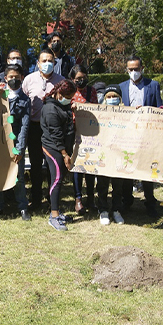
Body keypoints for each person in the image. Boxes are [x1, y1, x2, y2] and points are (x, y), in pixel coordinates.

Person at [118, 57, 163, 217]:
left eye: (136, 69)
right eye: (130, 69)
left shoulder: (153, 85)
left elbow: (160, 109)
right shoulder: (122, 87)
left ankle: (150, 201)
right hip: (127, 134)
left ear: (142, 68)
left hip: (147, 134)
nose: (133, 72)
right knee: (127, 167)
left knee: (147, 168)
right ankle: (127, 200)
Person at [23, 49, 65, 213]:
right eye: (44, 61)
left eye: (50, 61)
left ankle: (51, 199)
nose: (47, 64)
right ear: (38, 63)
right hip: (34, 128)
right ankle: (35, 199)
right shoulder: (29, 79)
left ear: (54, 63)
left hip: (52, 130)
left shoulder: (61, 81)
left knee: (51, 166)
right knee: (35, 165)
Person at [40, 80, 77, 232]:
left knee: (59, 180)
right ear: (59, 93)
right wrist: (64, 154)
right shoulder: (50, 109)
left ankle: (57, 212)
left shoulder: (61, 104)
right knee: (56, 179)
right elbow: (56, 134)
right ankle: (54, 216)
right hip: (53, 148)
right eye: (68, 96)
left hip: (62, 147)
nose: (69, 99)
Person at [0, 63, 32, 220]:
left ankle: (22, 206)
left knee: (19, 176)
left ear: (21, 78)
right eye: (11, 77)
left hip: (16, 142)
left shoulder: (25, 100)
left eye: (17, 78)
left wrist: (20, 148)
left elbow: (24, 126)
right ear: (5, 78)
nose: (14, 80)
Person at [69, 65, 96, 213]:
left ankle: (91, 197)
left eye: (83, 78)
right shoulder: (70, 92)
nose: (81, 81)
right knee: (77, 166)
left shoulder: (92, 91)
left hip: (90, 133)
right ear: (72, 79)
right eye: (78, 79)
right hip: (74, 133)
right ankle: (78, 198)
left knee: (91, 166)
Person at [96, 86, 124, 224]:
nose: (112, 99)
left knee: (118, 185)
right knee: (102, 184)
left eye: (114, 97)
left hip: (119, 154)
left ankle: (116, 210)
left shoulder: (127, 113)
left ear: (120, 98)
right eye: (109, 97)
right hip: (104, 154)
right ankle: (103, 210)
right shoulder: (99, 113)